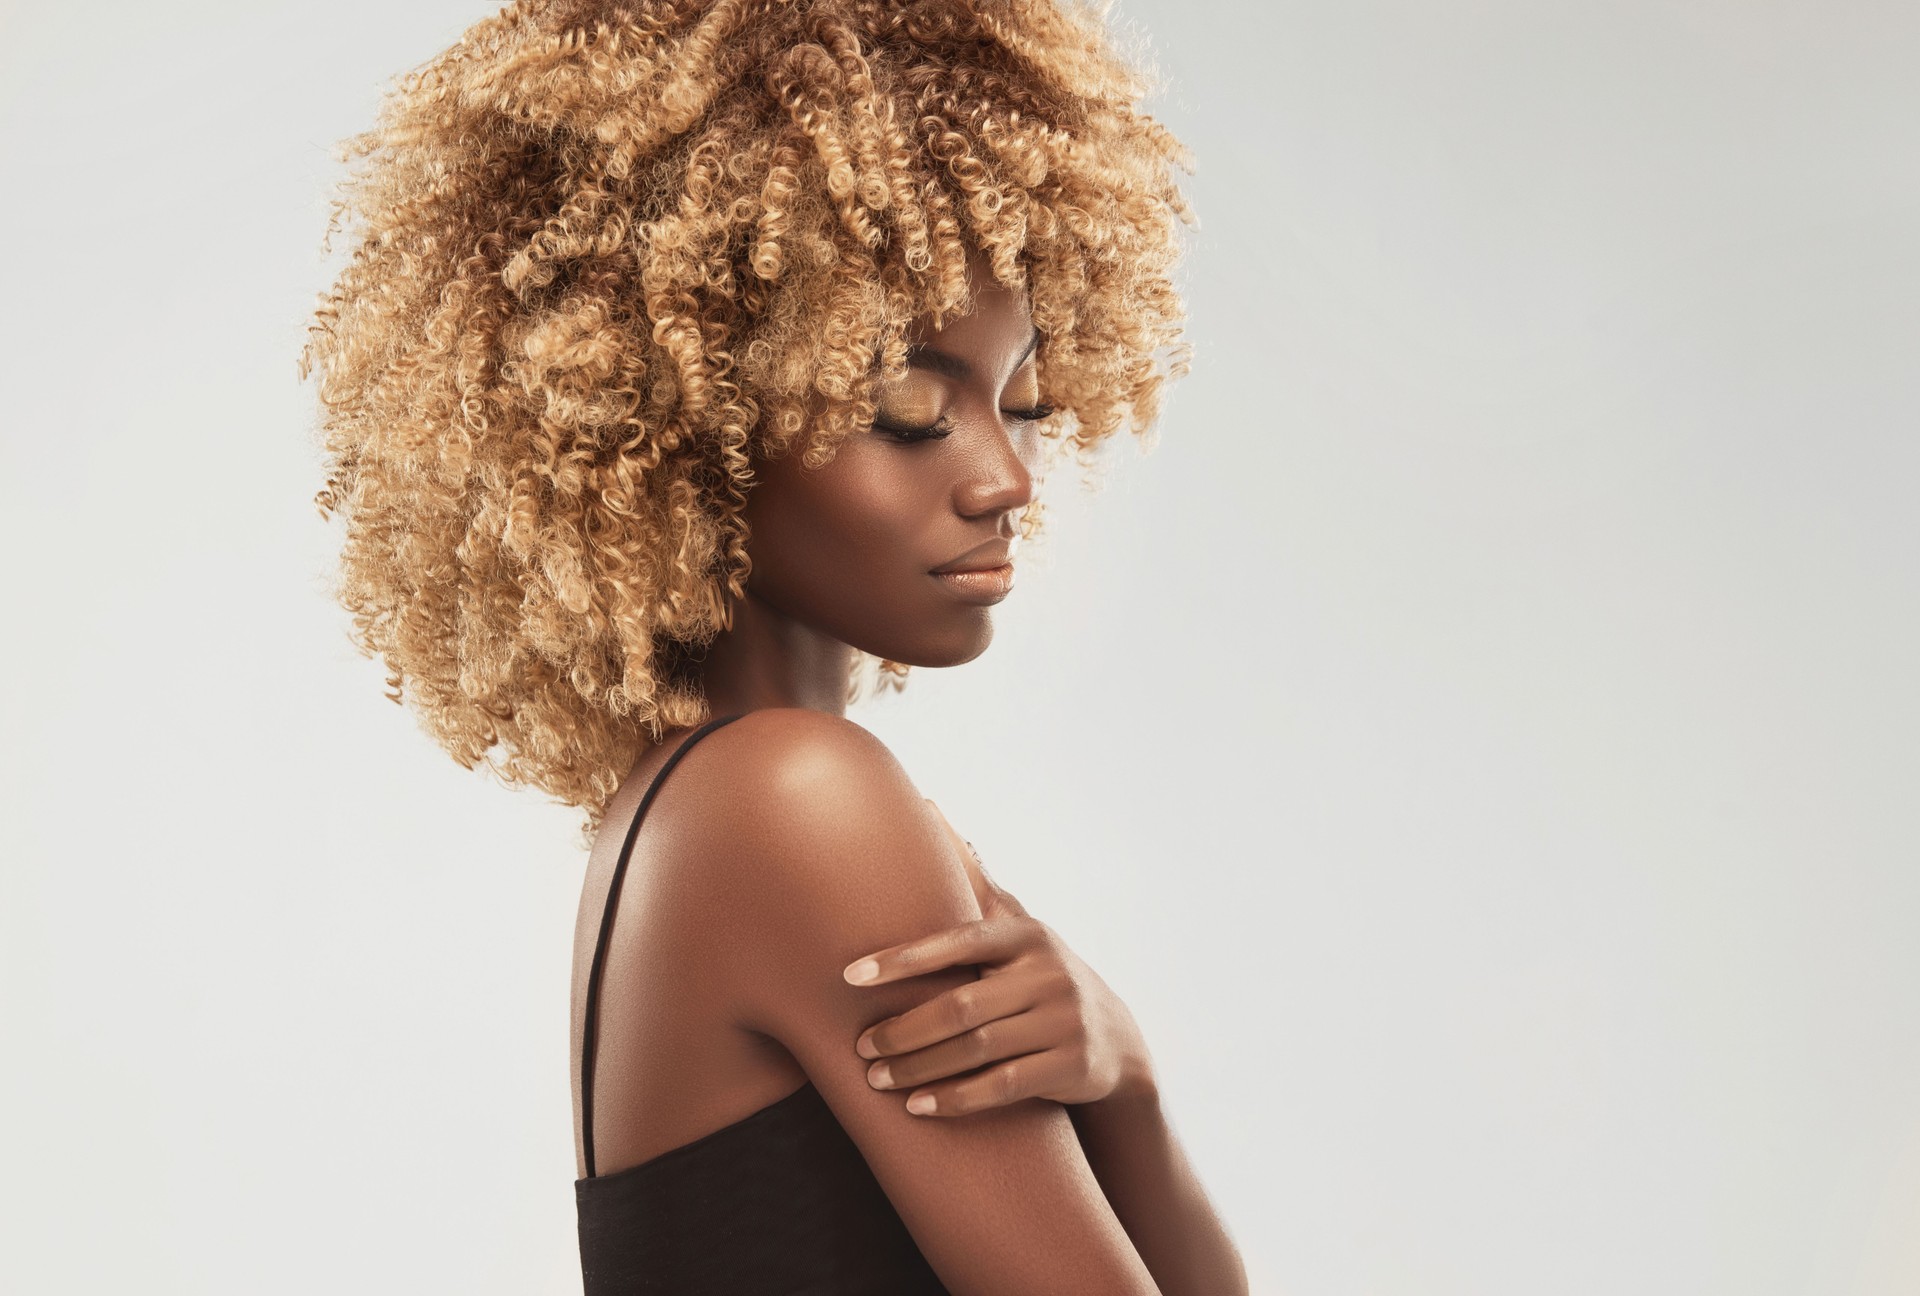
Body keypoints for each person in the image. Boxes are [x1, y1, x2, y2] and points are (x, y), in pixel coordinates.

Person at [301, 0, 1248, 1291]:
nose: (1007, 477)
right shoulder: (797, 800)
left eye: (1022, 399)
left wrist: (1124, 1075)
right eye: (912, 410)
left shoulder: (685, 810)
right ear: (687, 421)